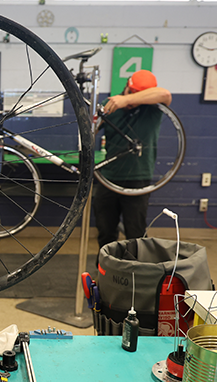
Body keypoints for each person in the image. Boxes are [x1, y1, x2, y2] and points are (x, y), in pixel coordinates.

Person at [93, 69, 172, 252]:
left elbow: (165, 94)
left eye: (137, 96)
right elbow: (91, 130)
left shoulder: (153, 108)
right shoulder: (110, 104)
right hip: (109, 177)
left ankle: (135, 273)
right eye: (130, 93)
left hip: (138, 179)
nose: (131, 101)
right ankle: (104, 271)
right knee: (105, 232)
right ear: (126, 87)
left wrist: (127, 100)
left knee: (135, 234)